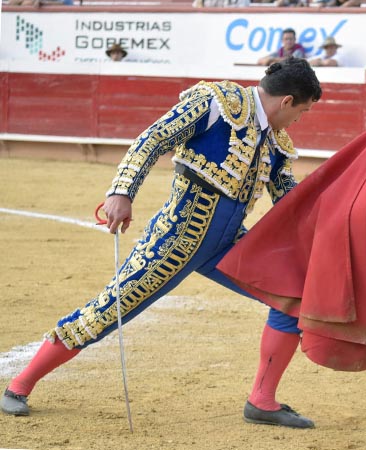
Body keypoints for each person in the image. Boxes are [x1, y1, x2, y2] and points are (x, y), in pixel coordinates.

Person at [1, 57, 322, 430]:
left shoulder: (276, 141)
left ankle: (262, 401)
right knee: (109, 310)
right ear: (286, 101)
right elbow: (153, 138)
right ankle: (19, 385)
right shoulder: (217, 102)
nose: (299, 121)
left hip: (229, 244)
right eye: (302, 112)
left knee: (293, 297)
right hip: (176, 239)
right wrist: (122, 191)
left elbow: (290, 200)